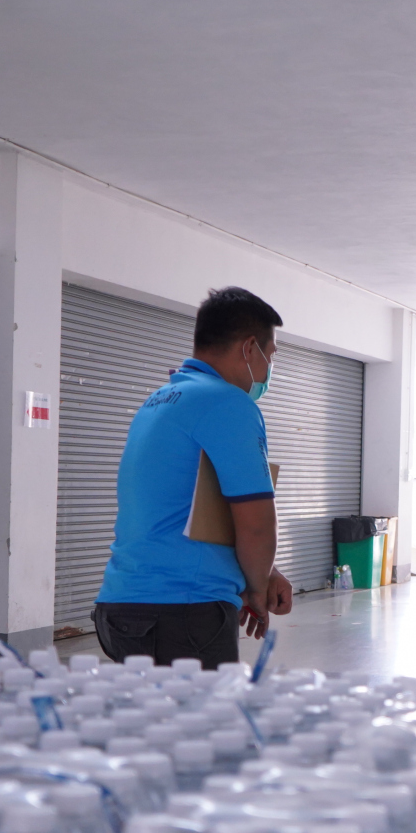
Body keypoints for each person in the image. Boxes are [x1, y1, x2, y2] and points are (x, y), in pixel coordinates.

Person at [91, 286, 294, 667]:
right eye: (270, 356)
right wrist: (257, 588)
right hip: (182, 612)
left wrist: (268, 572)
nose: (269, 370)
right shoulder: (229, 403)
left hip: (123, 606)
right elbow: (255, 525)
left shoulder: (161, 400)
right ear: (250, 348)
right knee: (201, 710)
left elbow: (198, 511)